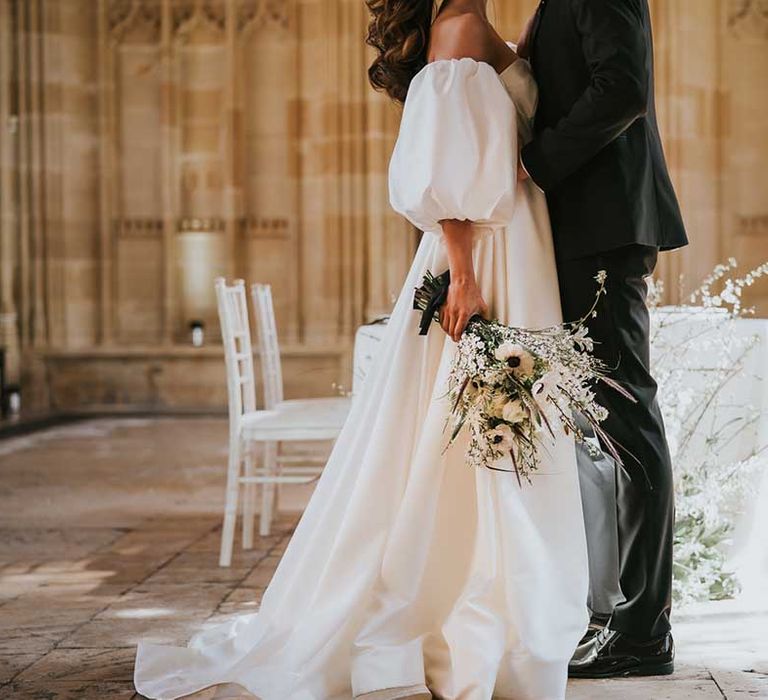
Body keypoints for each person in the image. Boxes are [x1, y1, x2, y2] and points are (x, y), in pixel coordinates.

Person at [134, 0, 591, 698]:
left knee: (496, 433)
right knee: (466, 434)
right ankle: (455, 623)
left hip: (519, 248)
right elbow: (447, 174)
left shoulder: (486, 30)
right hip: (488, 258)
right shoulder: (461, 32)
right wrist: (465, 278)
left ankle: (499, 614)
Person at [517, 0, 688, 679]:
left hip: (601, 226)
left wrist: (534, 165)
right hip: (587, 228)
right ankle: (615, 613)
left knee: (627, 421)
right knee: (605, 429)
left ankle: (643, 633)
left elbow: (623, 86)